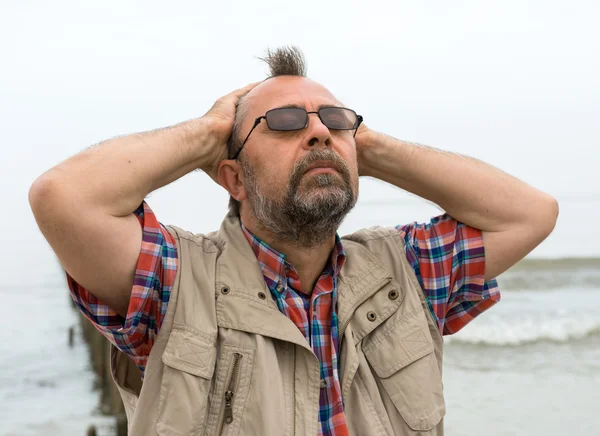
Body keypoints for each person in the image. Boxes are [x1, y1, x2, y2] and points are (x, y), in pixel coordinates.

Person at [29, 46, 558, 436]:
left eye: (334, 120)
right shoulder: (175, 279)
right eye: (282, 123)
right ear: (233, 179)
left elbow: (530, 214)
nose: (319, 132)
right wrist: (210, 131)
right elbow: (63, 198)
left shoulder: (407, 272)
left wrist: (362, 147)